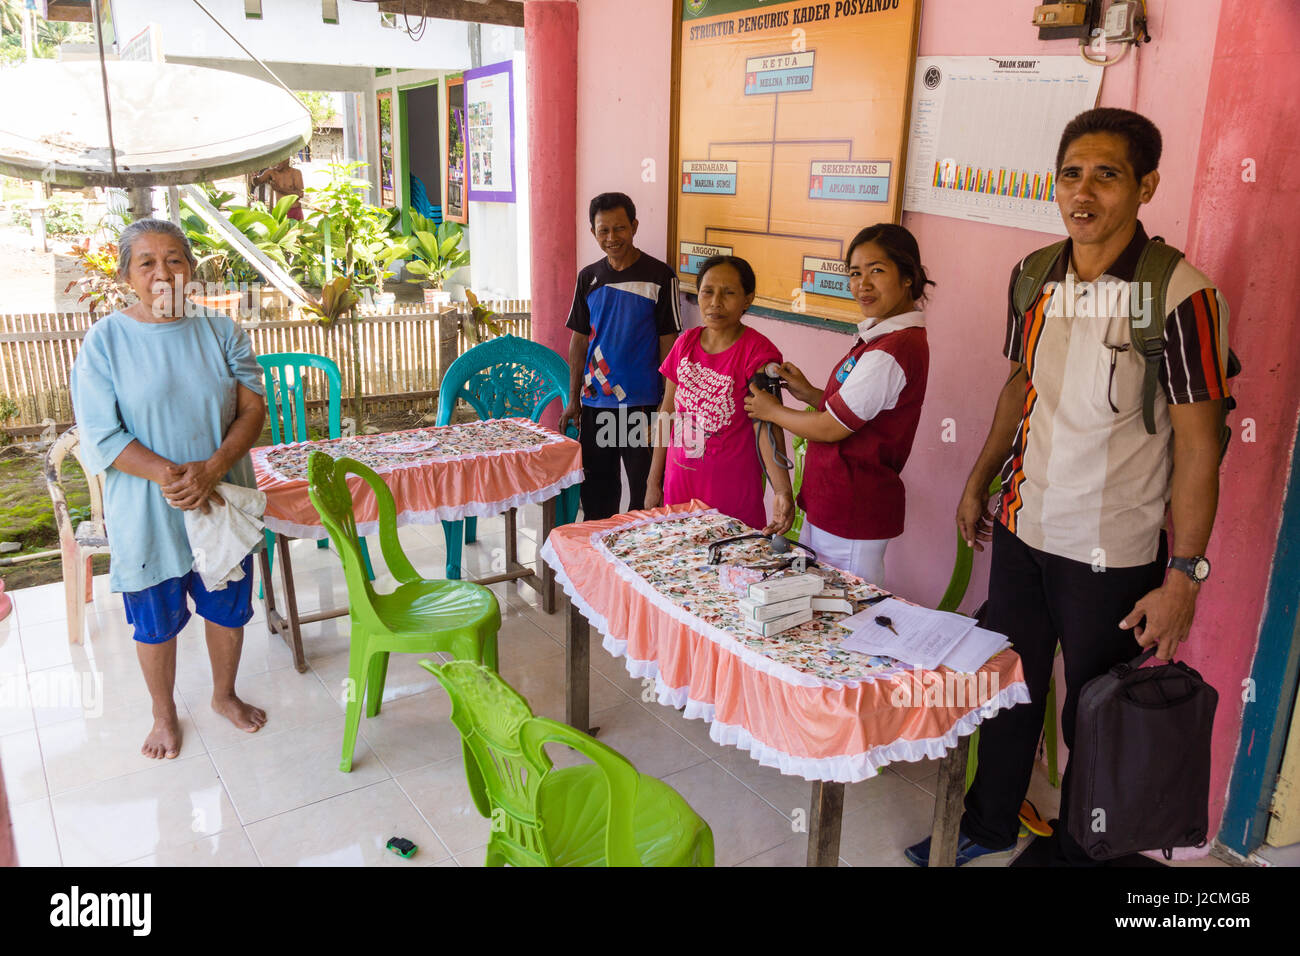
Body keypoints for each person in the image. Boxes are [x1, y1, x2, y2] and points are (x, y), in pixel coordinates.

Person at [904, 108, 1231, 866]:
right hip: (1024, 527)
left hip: (1111, 550)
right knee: (1010, 685)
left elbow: (1198, 445)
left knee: (1097, 712)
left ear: (1146, 184)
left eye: (1107, 175)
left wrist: (1184, 576)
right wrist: (978, 478)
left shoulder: (1180, 296)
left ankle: (1084, 851)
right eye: (1071, 174)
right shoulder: (1035, 275)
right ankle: (990, 822)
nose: (1083, 192)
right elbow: (1022, 386)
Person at [70, 219, 270, 760]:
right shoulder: (105, 341)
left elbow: (253, 408)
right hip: (148, 508)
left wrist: (214, 467)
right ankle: (163, 714)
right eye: (147, 262)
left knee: (227, 606)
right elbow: (102, 434)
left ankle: (224, 695)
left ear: (191, 268)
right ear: (127, 275)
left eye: (175, 259)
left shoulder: (220, 330)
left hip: (220, 497)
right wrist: (174, 476)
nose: (164, 273)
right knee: (154, 621)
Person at [744, 224, 932, 584]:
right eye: (855, 273)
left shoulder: (892, 351)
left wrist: (772, 412)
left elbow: (831, 428)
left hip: (853, 510)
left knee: (846, 612)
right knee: (825, 602)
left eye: (877, 270)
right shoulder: (881, 338)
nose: (863, 284)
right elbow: (859, 412)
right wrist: (810, 393)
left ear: (908, 276)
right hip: (834, 504)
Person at [645, 255, 794, 535]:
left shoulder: (758, 353)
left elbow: (767, 427)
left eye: (729, 293)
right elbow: (667, 412)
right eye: (708, 292)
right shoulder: (684, 343)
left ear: (747, 299)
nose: (716, 302)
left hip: (731, 492)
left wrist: (782, 490)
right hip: (679, 486)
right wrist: (654, 482)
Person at [560, 192, 681, 519]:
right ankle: (600, 562)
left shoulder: (661, 276)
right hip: (597, 404)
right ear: (593, 232)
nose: (612, 238)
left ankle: (635, 562)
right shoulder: (588, 277)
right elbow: (579, 340)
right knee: (598, 494)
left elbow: (670, 344)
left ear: (634, 226)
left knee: (644, 495)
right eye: (603, 231)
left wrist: (665, 406)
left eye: (620, 228)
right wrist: (574, 400)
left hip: (643, 406)